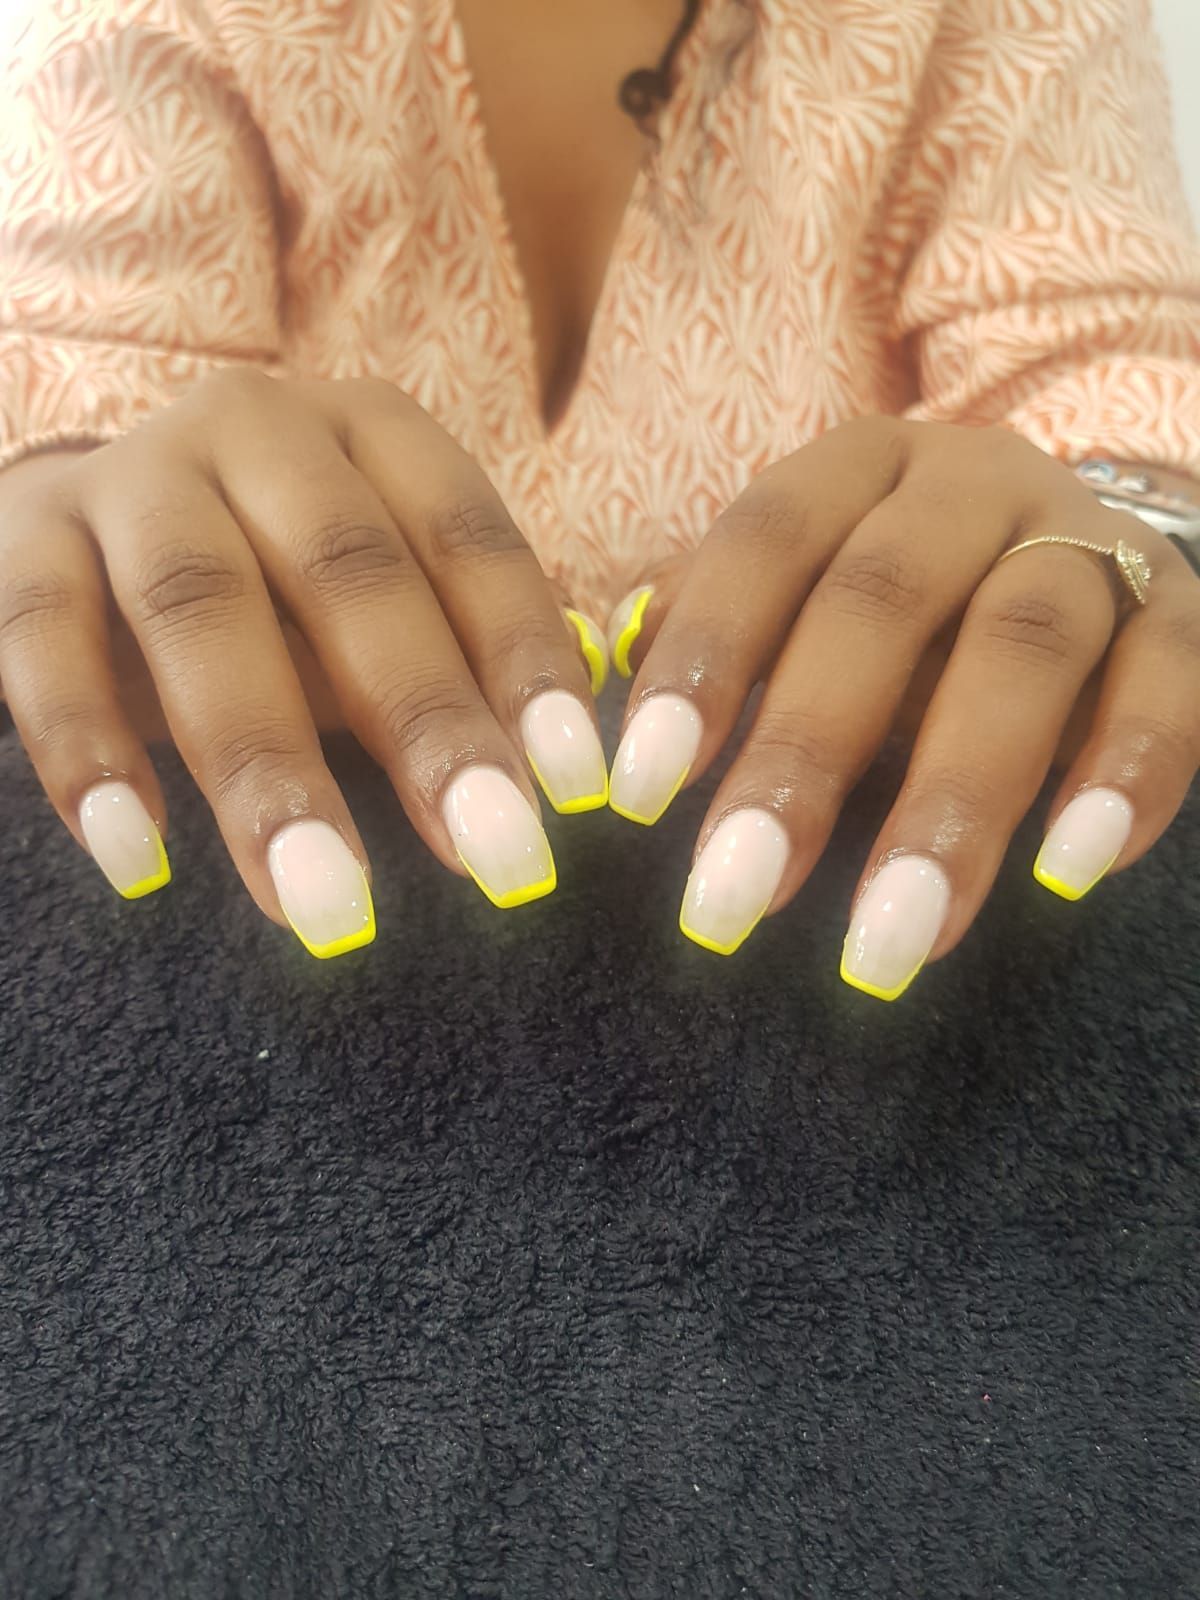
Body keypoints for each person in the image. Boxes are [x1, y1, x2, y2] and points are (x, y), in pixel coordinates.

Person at [0, 0, 1197, 1001]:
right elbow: (77, 378)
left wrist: (1109, 536)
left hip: (825, 1034)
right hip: (356, 1022)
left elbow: (1114, 387)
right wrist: (72, 506)